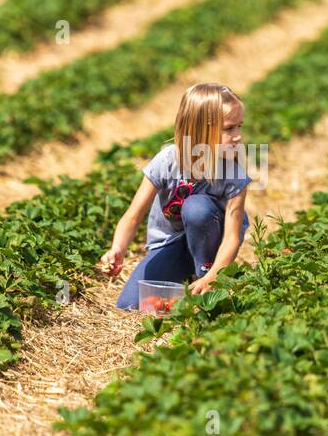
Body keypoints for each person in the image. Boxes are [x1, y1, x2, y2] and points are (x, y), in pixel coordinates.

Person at [99, 82, 251, 310]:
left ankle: (205, 279)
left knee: (197, 207)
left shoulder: (234, 174)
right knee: (130, 305)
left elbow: (231, 237)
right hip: (170, 244)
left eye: (239, 126)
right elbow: (133, 216)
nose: (238, 136)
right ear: (201, 129)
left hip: (210, 243)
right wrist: (117, 249)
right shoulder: (167, 161)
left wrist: (213, 276)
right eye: (229, 129)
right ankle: (187, 278)